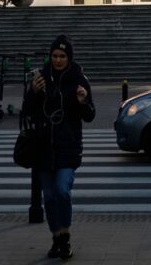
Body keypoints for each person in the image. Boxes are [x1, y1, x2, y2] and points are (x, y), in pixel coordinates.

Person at [23, 34, 95, 260]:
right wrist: (33, 92)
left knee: (62, 190)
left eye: (62, 56)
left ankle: (65, 236)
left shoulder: (79, 80)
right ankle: (56, 238)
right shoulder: (41, 78)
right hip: (43, 147)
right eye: (54, 56)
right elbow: (27, 110)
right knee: (49, 196)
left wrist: (83, 102)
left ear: (69, 57)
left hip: (68, 146)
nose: (58, 60)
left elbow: (90, 115)